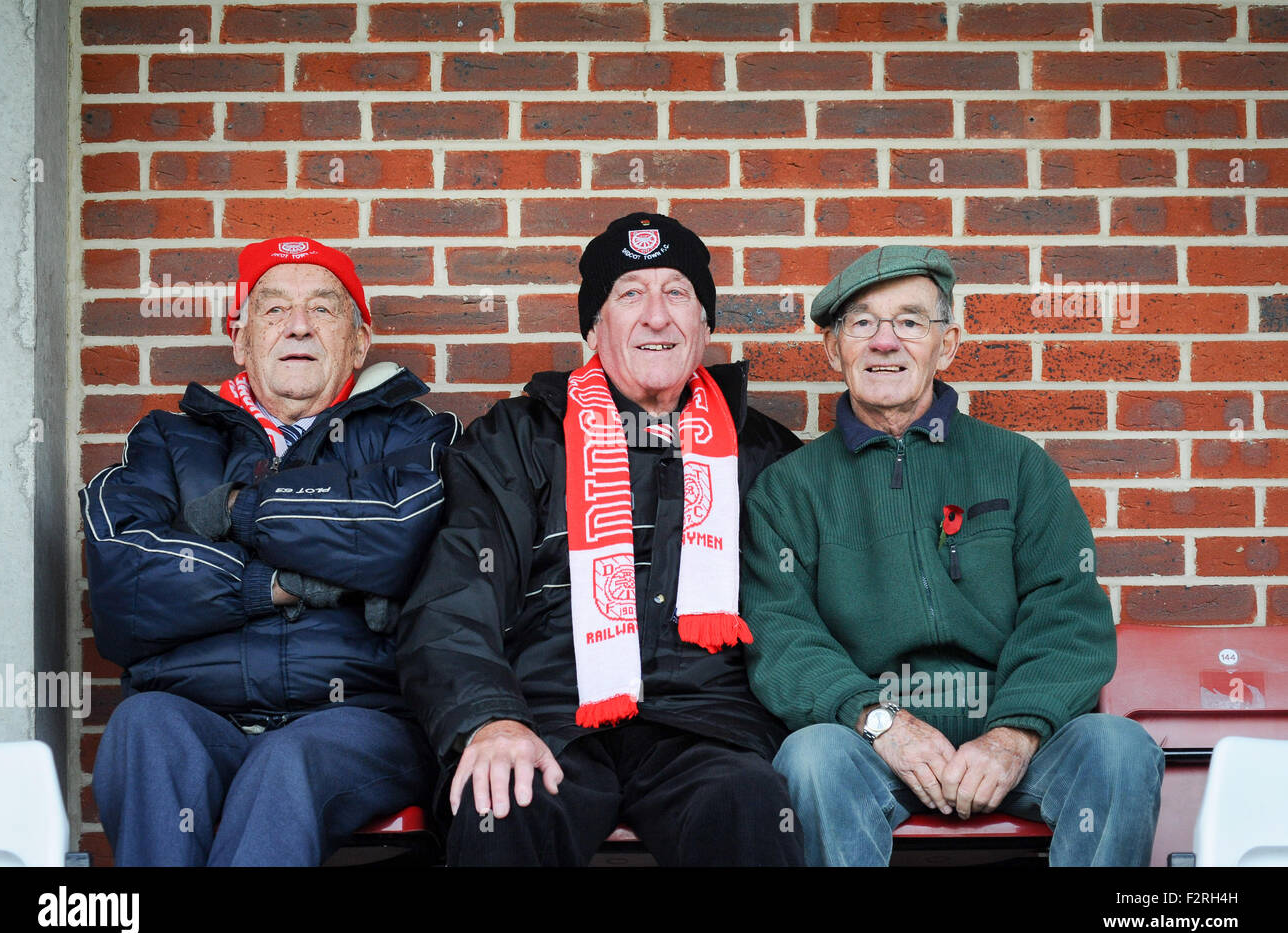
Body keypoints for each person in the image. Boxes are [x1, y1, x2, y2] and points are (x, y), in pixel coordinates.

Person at [395, 212, 804, 865]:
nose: (657, 316)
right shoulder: (518, 439)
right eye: (630, 294)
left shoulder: (765, 453)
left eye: (677, 293)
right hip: (550, 717)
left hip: (706, 727)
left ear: (705, 323)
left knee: (754, 808)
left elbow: (801, 614)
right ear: (593, 326)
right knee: (501, 806)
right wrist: (489, 717)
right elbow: (453, 598)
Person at [741, 246, 1163, 866]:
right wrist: (882, 724)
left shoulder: (1018, 466)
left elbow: (1068, 614)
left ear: (949, 344)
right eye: (861, 323)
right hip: (871, 740)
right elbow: (780, 636)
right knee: (810, 759)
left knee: (1121, 749)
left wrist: (1014, 736)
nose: (885, 342)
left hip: (1014, 731)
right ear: (835, 350)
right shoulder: (789, 488)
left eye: (910, 322)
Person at [82, 236, 460, 866]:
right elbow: (129, 585)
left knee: (285, 764)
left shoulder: (411, 432)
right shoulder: (169, 441)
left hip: (360, 720)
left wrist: (233, 515)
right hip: (198, 713)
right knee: (142, 729)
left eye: (323, 309)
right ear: (241, 339)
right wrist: (287, 582)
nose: (299, 328)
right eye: (275, 310)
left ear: (360, 342)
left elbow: (394, 533)